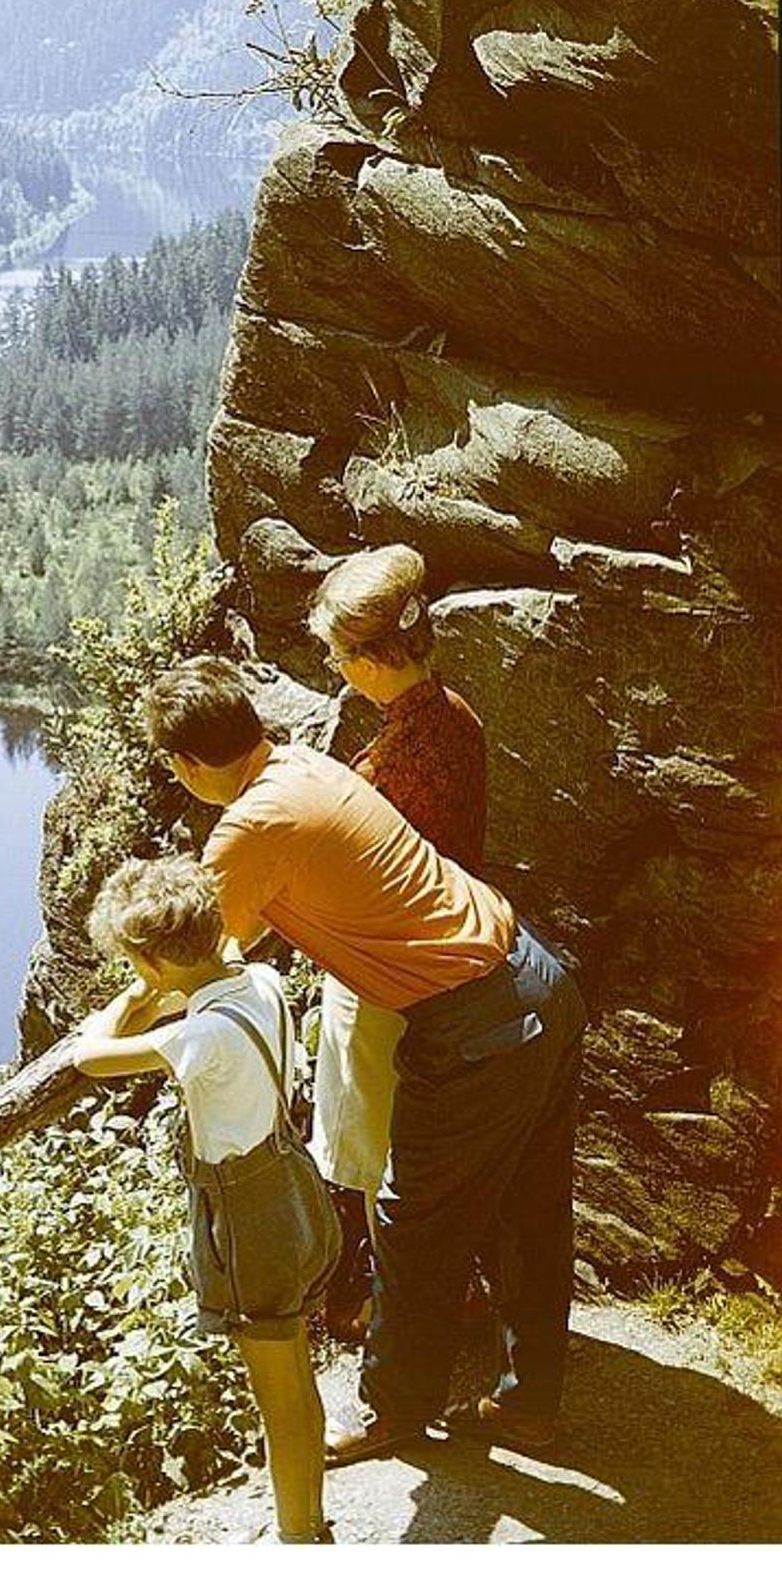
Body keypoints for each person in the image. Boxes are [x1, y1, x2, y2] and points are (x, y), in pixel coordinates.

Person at [141, 656, 585, 1466]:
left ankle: (391, 1413)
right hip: (537, 978)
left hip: (477, 1023)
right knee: (530, 1211)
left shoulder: (248, 829)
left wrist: (112, 1026)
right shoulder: (303, 765)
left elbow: (180, 964)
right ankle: (528, 1407)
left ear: (187, 763)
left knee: (410, 1222)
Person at [74, 855, 341, 1543]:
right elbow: (194, 993)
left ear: (152, 963)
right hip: (294, 1194)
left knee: (278, 1399)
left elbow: (90, 1055)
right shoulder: (260, 981)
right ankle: (311, 1519)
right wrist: (159, 979)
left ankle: (297, 1541)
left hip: (252, 1226)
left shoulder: (202, 1036)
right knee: (297, 1379)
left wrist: (135, 997)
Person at [307, 545, 489, 1331]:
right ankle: (436, 1294)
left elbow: (375, 870)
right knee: (412, 1140)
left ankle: (398, 1315)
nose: (336, 669)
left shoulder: (408, 751)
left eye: (341, 655)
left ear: (375, 659)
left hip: (388, 971)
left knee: (373, 1143)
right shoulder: (452, 716)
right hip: (437, 962)